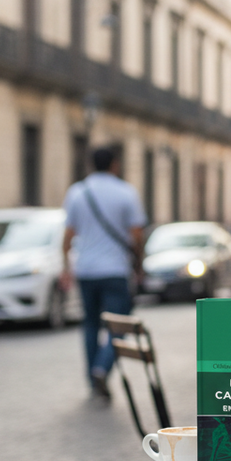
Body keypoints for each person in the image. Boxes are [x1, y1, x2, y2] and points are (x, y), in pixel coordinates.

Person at [61, 146, 146, 397]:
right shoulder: (126, 192)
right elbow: (137, 235)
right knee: (118, 325)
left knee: (89, 324)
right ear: (115, 165)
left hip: (86, 270)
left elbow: (67, 235)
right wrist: (138, 265)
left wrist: (66, 266)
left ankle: (92, 377)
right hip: (115, 270)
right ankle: (102, 367)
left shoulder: (77, 192)